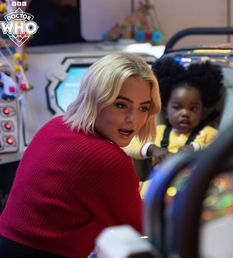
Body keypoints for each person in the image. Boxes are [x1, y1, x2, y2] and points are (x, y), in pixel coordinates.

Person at [0, 53, 161, 258]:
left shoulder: (55, 126)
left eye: (143, 108)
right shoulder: (107, 159)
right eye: (121, 105)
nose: (133, 119)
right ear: (95, 99)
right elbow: (146, 226)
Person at [124, 57, 224, 165]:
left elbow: (221, 150)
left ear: (202, 112)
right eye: (177, 107)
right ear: (166, 110)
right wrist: (152, 149)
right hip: (160, 180)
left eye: (193, 109)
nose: (185, 113)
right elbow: (129, 143)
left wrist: (196, 147)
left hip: (194, 181)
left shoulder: (208, 133)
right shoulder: (158, 131)